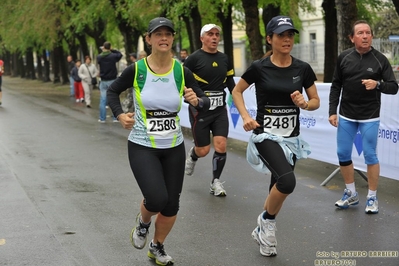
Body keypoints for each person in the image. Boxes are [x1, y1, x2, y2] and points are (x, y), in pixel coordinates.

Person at [107, 17, 209, 265]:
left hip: (173, 146)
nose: (163, 38)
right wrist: (120, 115)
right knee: (156, 198)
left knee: (171, 204)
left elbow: (204, 102)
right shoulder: (137, 69)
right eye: (158, 34)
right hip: (143, 144)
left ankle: (157, 246)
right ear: (149, 38)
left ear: (172, 38)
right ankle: (142, 223)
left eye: (168, 34)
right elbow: (112, 91)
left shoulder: (181, 71)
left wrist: (196, 101)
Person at [232, 15, 320, 257]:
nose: (287, 39)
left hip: (291, 139)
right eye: (281, 35)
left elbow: (315, 101)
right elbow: (237, 91)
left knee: (276, 188)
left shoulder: (302, 68)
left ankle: (264, 229)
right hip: (266, 136)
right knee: (287, 182)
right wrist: (245, 117)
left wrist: (305, 104)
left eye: (290, 34)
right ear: (269, 39)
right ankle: (267, 223)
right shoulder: (260, 67)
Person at [329, 20, 398, 214]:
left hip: (369, 116)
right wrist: (332, 111)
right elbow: (336, 86)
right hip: (347, 115)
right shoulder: (344, 58)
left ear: (372, 36)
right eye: (360, 33)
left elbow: (393, 87)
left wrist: (377, 84)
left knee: (370, 155)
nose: (365, 36)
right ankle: (351, 193)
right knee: (343, 153)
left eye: (368, 32)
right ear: (352, 38)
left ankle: (372, 197)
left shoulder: (380, 60)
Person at [183, 23, 235, 197]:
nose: (214, 37)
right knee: (203, 150)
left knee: (221, 144)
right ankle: (193, 154)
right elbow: (182, 81)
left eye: (217, 34)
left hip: (220, 109)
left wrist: (238, 97)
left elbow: (230, 82)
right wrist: (189, 96)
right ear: (202, 38)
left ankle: (216, 181)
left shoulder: (225, 58)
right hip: (200, 110)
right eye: (210, 34)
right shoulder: (193, 59)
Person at [97, 41, 123, 122]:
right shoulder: (113, 56)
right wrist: (112, 50)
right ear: (110, 47)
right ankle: (116, 117)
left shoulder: (99, 57)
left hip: (104, 80)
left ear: (103, 47)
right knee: (114, 99)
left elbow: (100, 59)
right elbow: (120, 54)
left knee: (103, 100)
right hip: (112, 80)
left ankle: (102, 118)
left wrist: (105, 50)